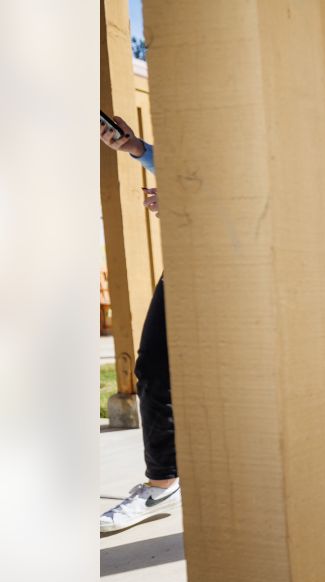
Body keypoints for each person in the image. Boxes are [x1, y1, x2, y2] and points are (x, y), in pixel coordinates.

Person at [99, 115, 179, 533]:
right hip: (186, 261)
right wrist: (135, 148)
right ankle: (162, 481)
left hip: (237, 261)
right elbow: (186, 169)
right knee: (153, 370)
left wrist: (183, 201)